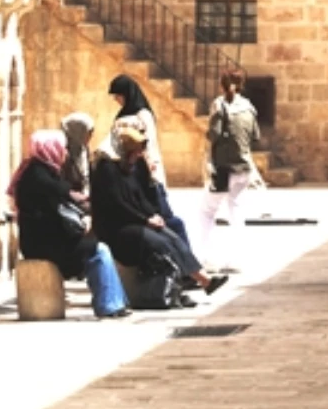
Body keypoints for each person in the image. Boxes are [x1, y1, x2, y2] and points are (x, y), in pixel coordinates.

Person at [91, 122, 228, 295]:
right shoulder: (107, 169)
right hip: (117, 227)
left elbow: (139, 198)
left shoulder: (129, 167)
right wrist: (146, 220)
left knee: (173, 236)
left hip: (135, 222)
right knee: (161, 244)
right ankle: (179, 288)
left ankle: (204, 280)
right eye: (136, 151)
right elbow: (118, 204)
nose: (140, 154)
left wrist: (153, 215)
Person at [9, 129, 129, 318]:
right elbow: (54, 214)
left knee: (97, 247)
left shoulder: (40, 171)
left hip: (47, 239)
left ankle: (114, 301)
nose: (65, 152)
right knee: (99, 250)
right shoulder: (39, 177)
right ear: (51, 149)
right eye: (62, 148)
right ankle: (109, 305)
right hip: (44, 244)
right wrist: (78, 231)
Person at [105, 75, 188, 245]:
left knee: (166, 218)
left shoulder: (142, 115)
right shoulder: (127, 114)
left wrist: (147, 167)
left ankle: (185, 259)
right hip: (133, 173)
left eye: (118, 96)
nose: (117, 100)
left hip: (148, 173)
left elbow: (146, 144)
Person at [195, 69, 260, 274]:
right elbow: (255, 136)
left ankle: (209, 260)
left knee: (207, 212)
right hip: (243, 167)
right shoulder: (249, 107)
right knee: (237, 212)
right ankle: (236, 260)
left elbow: (214, 134)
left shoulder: (219, 105)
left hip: (223, 169)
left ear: (222, 85)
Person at [60, 112, 95, 197]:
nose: (91, 136)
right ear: (77, 131)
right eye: (88, 132)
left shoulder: (84, 149)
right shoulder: (63, 153)